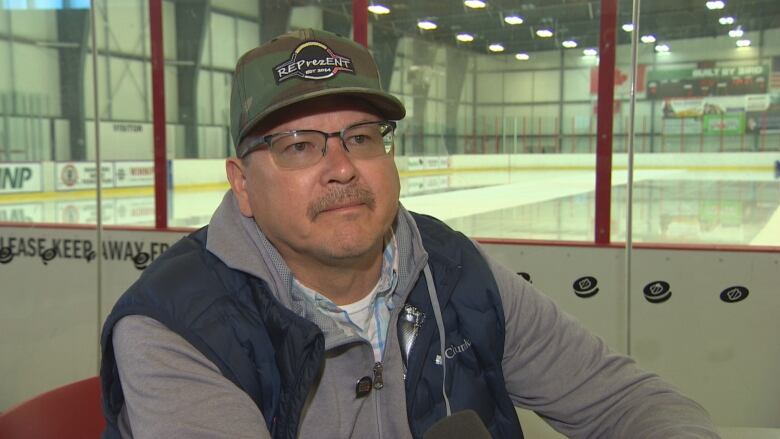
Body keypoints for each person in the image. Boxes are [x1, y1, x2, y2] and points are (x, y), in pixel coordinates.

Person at [99, 29, 720, 439]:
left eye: (362, 137)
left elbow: (627, 403)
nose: (341, 167)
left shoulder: (457, 272)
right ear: (242, 183)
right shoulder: (175, 326)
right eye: (298, 145)